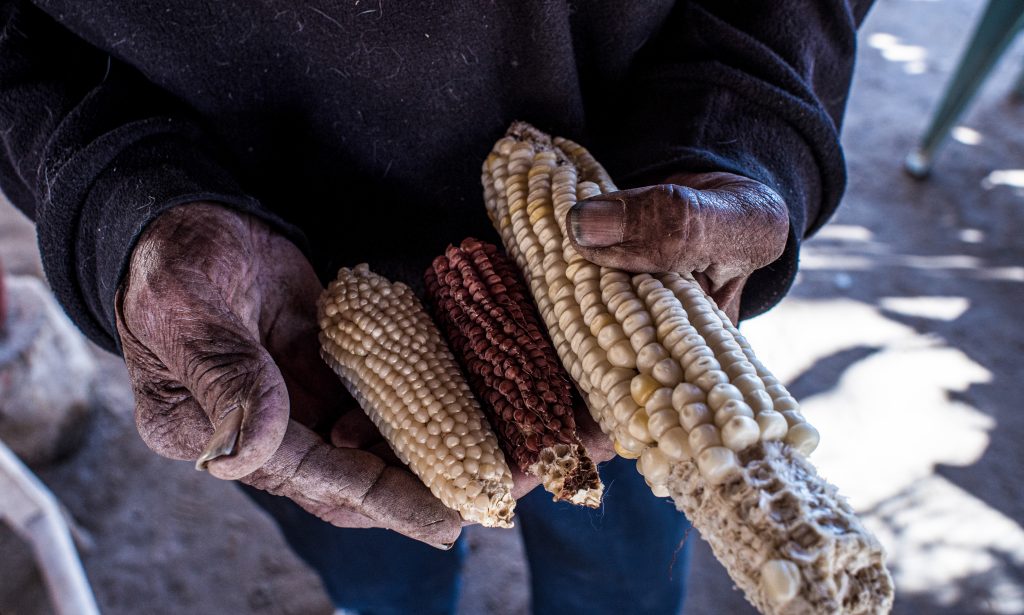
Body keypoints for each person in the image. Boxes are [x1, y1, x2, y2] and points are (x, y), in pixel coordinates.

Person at [0, 1, 872, 612]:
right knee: (381, 568)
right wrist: (129, 210)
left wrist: (739, 128)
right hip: (292, 332)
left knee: (619, 573)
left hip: (627, 239)